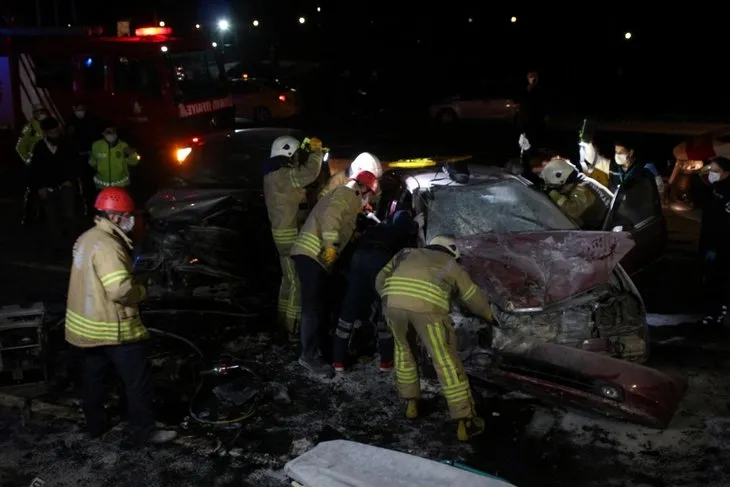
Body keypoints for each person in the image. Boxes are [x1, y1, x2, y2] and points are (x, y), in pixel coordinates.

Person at [65, 187, 177, 445]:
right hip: (112, 328)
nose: (131, 220)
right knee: (137, 380)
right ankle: (144, 432)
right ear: (114, 217)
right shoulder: (108, 246)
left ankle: (95, 425)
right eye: (128, 215)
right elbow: (119, 290)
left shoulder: (87, 238)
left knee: (94, 379)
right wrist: (143, 290)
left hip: (87, 327)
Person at [376, 235, 495, 441]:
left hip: (393, 306)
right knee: (445, 361)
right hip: (428, 311)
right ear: (452, 252)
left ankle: (411, 404)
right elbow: (471, 295)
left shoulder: (405, 252)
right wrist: (489, 315)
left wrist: (392, 299)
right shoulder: (450, 264)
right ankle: (464, 421)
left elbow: (380, 279)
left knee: (404, 351)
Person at [290, 171, 380, 377]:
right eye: (370, 194)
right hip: (312, 253)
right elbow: (331, 216)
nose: (369, 199)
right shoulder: (347, 193)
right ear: (365, 188)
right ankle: (308, 357)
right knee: (312, 309)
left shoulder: (350, 197)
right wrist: (331, 245)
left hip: (315, 258)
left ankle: (316, 351)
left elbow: (343, 224)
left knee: (319, 307)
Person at [332, 210, 418, 373]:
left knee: (350, 306)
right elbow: (409, 232)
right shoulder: (399, 224)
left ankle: (338, 361)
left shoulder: (378, 226)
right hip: (380, 258)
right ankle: (386, 361)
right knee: (383, 308)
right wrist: (415, 223)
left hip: (359, 258)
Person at [263, 135, 324, 338]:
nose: (297, 158)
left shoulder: (272, 174)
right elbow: (311, 173)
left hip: (280, 235)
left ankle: (282, 321)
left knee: (288, 278)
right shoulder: (284, 175)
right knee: (298, 281)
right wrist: (316, 151)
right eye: (296, 154)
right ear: (288, 153)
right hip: (290, 235)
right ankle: (293, 328)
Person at [27, 117, 79, 252]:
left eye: (56, 130)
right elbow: (35, 170)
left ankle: (73, 246)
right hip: (48, 188)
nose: (55, 133)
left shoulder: (67, 144)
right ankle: (57, 248)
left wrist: (70, 180)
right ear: (46, 133)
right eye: (51, 132)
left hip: (65, 186)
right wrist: (40, 187)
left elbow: (74, 164)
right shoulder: (39, 147)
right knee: (52, 218)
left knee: (69, 215)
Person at [698, 157, 730, 326]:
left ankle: (718, 314)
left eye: (716, 171)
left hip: (722, 245)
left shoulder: (727, 191)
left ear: (726, 172)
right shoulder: (713, 189)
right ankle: (712, 311)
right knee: (709, 278)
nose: (712, 173)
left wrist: (717, 246)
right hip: (709, 241)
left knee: (719, 280)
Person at [541, 158, 613, 229]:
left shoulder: (579, 189)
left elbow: (574, 211)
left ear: (562, 181)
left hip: (609, 226)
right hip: (611, 219)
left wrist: (558, 198)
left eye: (555, 186)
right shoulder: (583, 181)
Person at [65, 101, 101, 212]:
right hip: (77, 157)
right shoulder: (70, 122)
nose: (81, 112)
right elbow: (68, 140)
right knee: (80, 183)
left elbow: (95, 137)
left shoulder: (91, 121)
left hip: (90, 156)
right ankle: (83, 206)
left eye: (83, 109)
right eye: (79, 109)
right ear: (74, 108)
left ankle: (93, 205)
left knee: (92, 182)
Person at [517, 71, 546, 176]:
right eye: (530, 77)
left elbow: (541, 106)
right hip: (525, 121)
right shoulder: (526, 89)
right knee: (524, 143)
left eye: (534, 77)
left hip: (534, 122)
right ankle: (525, 164)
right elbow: (522, 104)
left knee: (532, 145)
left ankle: (531, 167)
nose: (532, 79)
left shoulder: (538, 90)